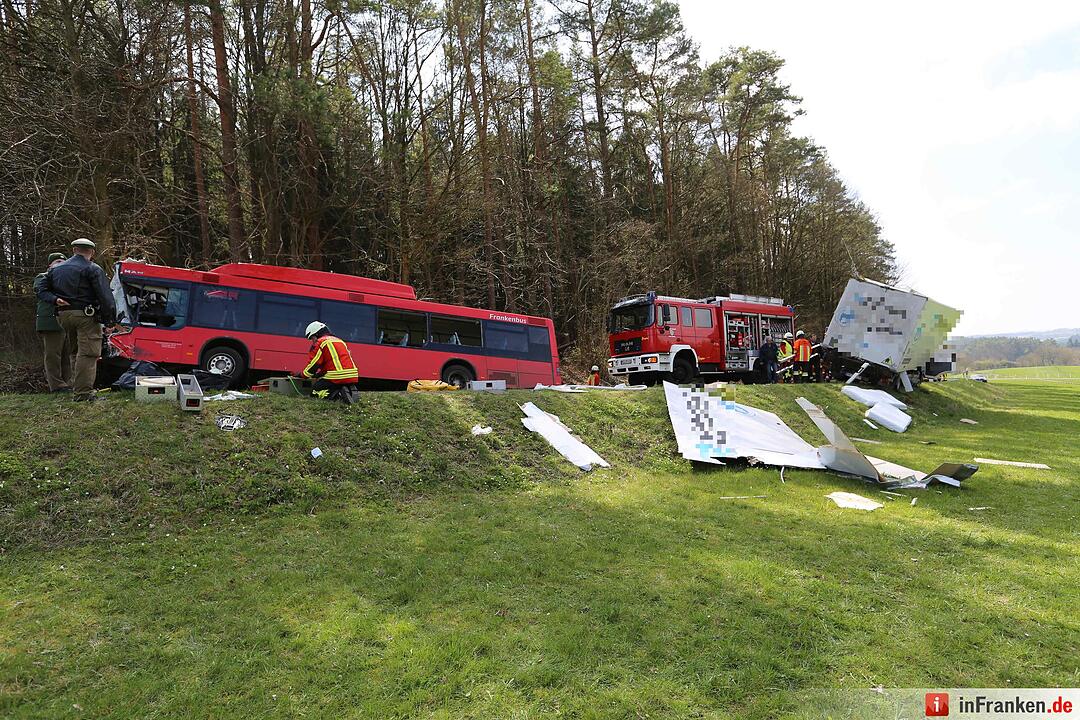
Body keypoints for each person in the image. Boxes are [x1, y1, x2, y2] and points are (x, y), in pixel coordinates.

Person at [37, 238, 117, 402]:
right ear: (92, 252)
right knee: (88, 352)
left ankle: (77, 386)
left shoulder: (56, 270)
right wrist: (109, 321)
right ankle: (83, 393)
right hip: (85, 315)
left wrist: (54, 299)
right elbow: (105, 297)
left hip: (63, 316)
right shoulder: (92, 268)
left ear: (74, 250)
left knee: (75, 351)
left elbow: (40, 289)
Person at [34, 253, 72, 392]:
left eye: (63, 261)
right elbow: (41, 291)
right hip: (50, 321)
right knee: (53, 355)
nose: (60, 263)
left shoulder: (66, 278)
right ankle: (56, 385)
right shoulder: (42, 277)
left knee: (67, 354)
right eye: (57, 261)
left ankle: (67, 383)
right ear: (50, 265)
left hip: (66, 320)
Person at [300, 321, 360, 403]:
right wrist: (319, 375)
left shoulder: (320, 343)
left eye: (312, 338)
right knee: (334, 383)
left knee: (314, 391)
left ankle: (337, 395)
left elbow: (314, 365)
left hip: (337, 376)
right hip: (353, 375)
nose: (312, 341)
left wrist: (302, 374)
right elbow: (331, 363)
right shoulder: (339, 341)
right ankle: (348, 389)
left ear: (316, 333)